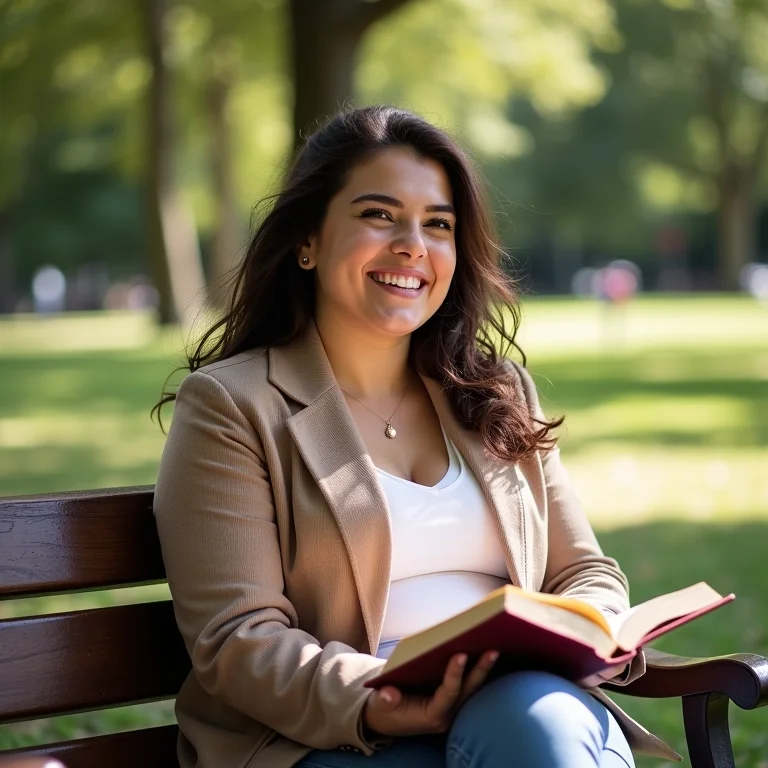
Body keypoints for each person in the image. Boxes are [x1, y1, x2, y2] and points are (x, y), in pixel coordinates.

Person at [153, 106, 680, 768]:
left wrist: (587, 627)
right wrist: (381, 698)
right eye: (379, 215)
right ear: (308, 240)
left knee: (534, 723)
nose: (413, 245)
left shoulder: (495, 392)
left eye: (438, 224)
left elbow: (583, 570)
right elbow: (239, 639)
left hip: (523, 703)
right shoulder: (233, 406)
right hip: (335, 735)